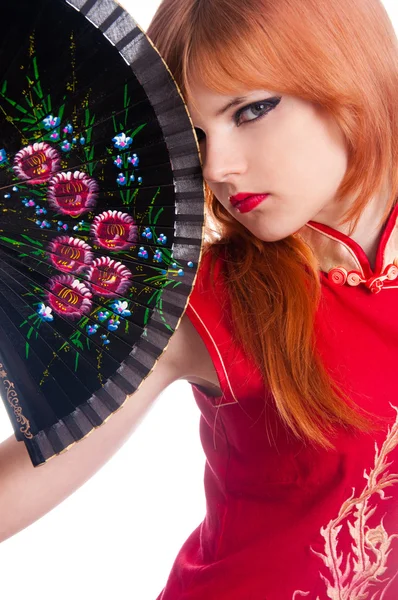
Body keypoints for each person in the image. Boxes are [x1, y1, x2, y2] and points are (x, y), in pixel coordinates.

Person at [1, 0, 398, 597]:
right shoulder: (204, 304)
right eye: (195, 134)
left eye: (252, 109)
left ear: (344, 67)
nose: (217, 166)